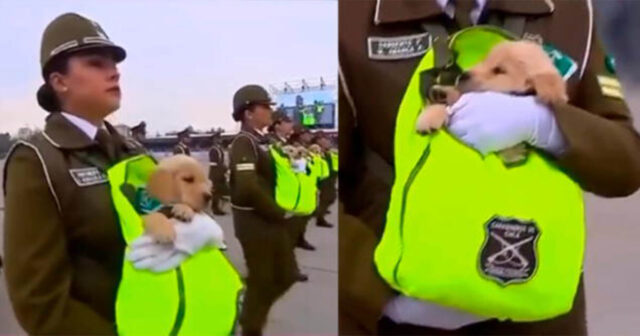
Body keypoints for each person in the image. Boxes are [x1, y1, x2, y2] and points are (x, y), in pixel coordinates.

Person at [339, 0, 640, 335]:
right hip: (400, 311)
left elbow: (626, 165)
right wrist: (371, 291)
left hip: (535, 308)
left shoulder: (570, 11)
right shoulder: (348, 17)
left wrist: (546, 124)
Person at [2, 13, 144, 334]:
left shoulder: (132, 151)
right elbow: (41, 303)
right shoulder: (37, 161)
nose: (113, 72)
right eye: (96, 63)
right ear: (59, 81)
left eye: (114, 63)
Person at [229, 84, 299, 336]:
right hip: (254, 222)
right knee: (263, 279)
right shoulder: (242, 143)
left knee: (288, 275)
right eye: (265, 107)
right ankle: (251, 325)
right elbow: (247, 187)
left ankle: (250, 308)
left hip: (270, 220)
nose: (270, 111)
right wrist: (279, 212)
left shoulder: (262, 141)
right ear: (248, 112)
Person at [287, 126, 317, 251]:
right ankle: (292, 241)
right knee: (295, 220)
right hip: (296, 188)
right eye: (306, 134)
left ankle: (300, 238)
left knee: (304, 218)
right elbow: (293, 167)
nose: (309, 136)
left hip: (308, 186)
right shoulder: (291, 148)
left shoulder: (309, 148)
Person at [312, 131, 337, 228]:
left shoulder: (327, 151)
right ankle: (320, 218)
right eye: (324, 139)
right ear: (318, 141)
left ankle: (319, 213)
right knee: (326, 198)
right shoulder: (316, 151)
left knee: (331, 197)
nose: (328, 141)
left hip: (329, 176)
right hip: (322, 178)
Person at [208, 131, 229, 215]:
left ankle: (218, 208)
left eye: (219, 138)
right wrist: (224, 168)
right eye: (217, 138)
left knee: (220, 191)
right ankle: (215, 209)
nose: (219, 139)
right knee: (216, 192)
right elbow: (215, 163)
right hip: (215, 173)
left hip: (220, 173)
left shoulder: (219, 148)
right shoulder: (213, 149)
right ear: (214, 140)